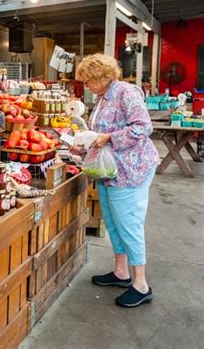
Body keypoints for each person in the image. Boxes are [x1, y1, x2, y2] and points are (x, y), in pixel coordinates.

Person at [75, 54, 160, 308]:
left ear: (100, 77)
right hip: (110, 171)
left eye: (88, 80)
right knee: (112, 222)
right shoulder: (103, 98)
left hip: (131, 170)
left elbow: (143, 127)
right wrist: (81, 144)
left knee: (129, 223)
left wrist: (108, 138)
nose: (86, 86)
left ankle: (141, 284)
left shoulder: (124, 92)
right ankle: (122, 273)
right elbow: (100, 133)